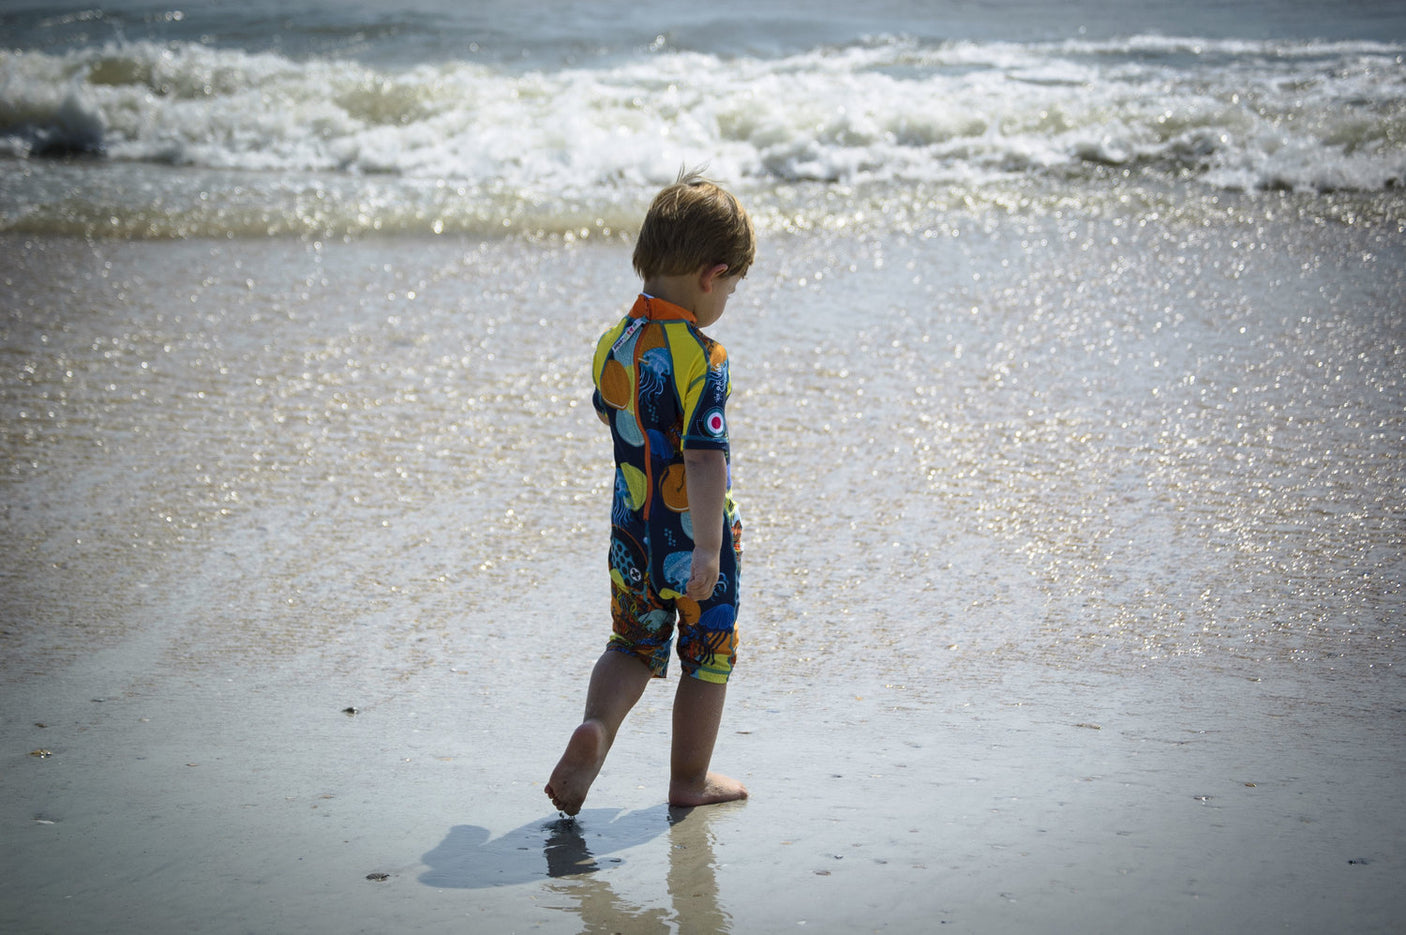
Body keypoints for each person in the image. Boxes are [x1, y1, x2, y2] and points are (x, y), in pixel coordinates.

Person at [545, 170, 755, 816]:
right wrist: (709, 549)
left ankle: (597, 727)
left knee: (631, 646)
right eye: (731, 289)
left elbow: (608, 411)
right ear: (712, 277)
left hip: (632, 534)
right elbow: (704, 456)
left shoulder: (616, 342)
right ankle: (689, 778)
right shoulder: (704, 358)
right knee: (707, 657)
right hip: (694, 543)